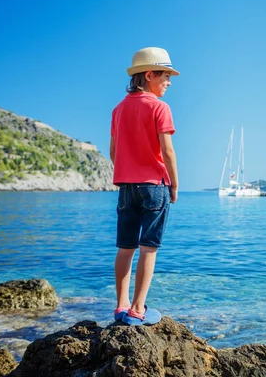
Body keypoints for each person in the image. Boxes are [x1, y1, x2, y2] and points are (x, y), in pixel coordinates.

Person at [110, 47, 180, 325]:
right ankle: (138, 310)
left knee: (125, 247)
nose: (169, 82)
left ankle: (120, 306)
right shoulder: (160, 107)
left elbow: (114, 152)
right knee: (148, 248)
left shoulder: (118, 109)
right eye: (165, 75)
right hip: (154, 186)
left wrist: (128, 170)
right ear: (149, 74)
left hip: (126, 187)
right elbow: (168, 151)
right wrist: (174, 184)